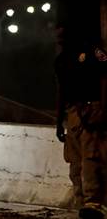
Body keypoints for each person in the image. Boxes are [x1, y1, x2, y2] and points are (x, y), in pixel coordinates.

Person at [55, 22, 107, 219]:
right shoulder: (61, 60)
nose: (60, 41)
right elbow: (61, 90)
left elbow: (104, 78)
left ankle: (94, 202)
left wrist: (102, 109)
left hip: (91, 109)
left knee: (92, 159)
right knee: (75, 162)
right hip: (72, 113)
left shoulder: (93, 53)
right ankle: (82, 203)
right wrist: (59, 120)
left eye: (63, 37)